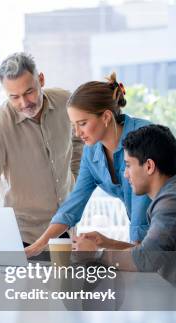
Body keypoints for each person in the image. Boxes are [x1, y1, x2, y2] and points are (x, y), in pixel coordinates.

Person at [72, 124, 176, 283]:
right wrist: (106, 243)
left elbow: (146, 260)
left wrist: (96, 254)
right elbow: (152, 252)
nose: (125, 174)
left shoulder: (175, 200)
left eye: (128, 165)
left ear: (149, 166)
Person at [24, 73, 152, 257]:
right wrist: (37, 245)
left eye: (82, 124)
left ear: (106, 117)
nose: (77, 133)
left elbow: (142, 209)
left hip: (170, 236)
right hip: (144, 244)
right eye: (74, 125)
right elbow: (73, 205)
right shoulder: (92, 153)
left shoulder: (143, 136)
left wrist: (133, 250)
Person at [0, 52, 83, 246]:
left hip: (66, 229)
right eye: (14, 97)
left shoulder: (65, 102)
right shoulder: (0, 125)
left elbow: (78, 140)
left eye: (29, 92)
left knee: (67, 277)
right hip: (23, 237)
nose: (24, 103)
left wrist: (75, 176)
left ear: (41, 79)